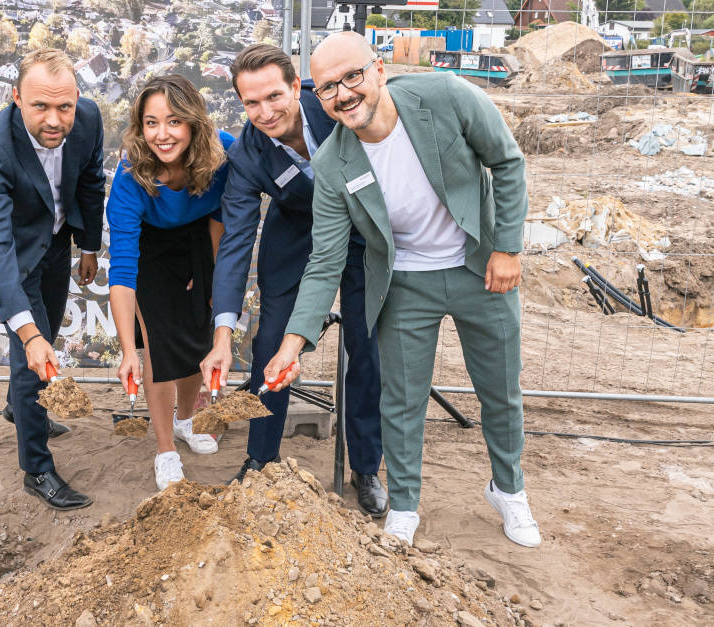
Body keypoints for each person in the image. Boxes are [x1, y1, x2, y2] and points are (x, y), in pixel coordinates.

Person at [263, 31, 540, 548]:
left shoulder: (447, 96)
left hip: (481, 267)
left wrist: (507, 248)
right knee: (402, 401)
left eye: (353, 77)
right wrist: (291, 345)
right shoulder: (332, 166)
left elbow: (507, 162)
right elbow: (323, 262)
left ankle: (509, 490)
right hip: (404, 282)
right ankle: (405, 506)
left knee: (500, 392)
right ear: (316, 97)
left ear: (379, 69)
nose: (344, 94)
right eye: (328, 88)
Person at [198, 43, 387, 517]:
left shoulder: (339, 109)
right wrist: (222, 333)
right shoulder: (247, 154)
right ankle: (260, 461)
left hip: (364, 233)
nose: (264, 112)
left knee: (367, 345)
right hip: (297, 238)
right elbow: (237, 242)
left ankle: (366, 466)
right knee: (269, 347)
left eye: (274, 97)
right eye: (251, 103)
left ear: (296, 87)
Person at [0, 48, 104, 511]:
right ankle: (37, 468)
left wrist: (87, 245)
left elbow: (91, 179)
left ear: (77, 99)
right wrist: (28, 333)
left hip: (54, 240)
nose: (55, 120)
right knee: (31, 351)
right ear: (16, 98)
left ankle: (20, 407)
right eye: (40, 106)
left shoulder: (89, 119)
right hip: (10, 249)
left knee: (49, 330)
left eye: (64, 106)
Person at [107, 75, 234, 490]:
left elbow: (225, 211)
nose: (162, 134)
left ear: (194, 123)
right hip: (150, 245)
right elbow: (123, 272)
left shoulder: (223, 151)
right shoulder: (129, 178)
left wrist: (214, 277)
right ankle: (165, 448)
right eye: (151, 122)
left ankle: (185, 420)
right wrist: (128, 351)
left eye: (174, 121)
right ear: (140, 127)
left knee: (198, 335)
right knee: (159, 347)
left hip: (199, 236)